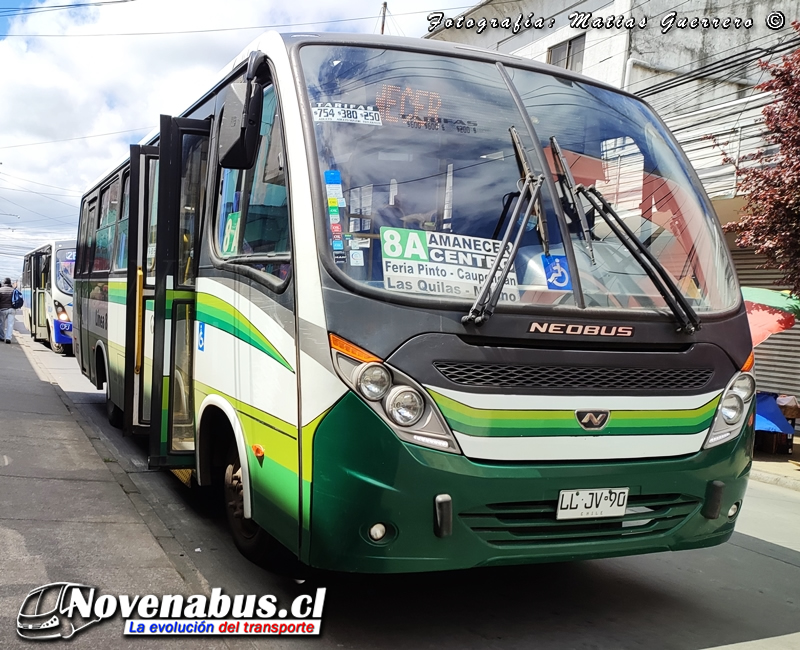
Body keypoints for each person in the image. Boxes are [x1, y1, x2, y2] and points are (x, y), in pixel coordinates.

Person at [0, 278, 15, 344]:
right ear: (10, 283)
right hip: (11, 309)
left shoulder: (0, 290)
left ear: (4, 283)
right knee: (10, 324)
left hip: (2, 309)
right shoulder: (13, 290)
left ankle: (2, 337)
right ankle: (8, 338)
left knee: (1, 324)